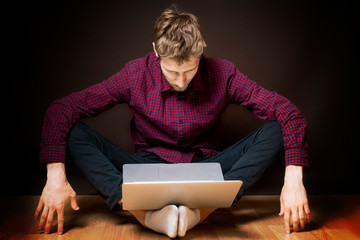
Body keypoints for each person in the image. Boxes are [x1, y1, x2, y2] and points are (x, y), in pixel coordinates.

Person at [35, 6, 311, 238]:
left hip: (208, 169)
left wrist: (293, 180)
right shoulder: (135, 74)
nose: (181, 81)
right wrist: (55, 176)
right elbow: (61, 110)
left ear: (201, 52)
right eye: (172, 71)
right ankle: (142, 212)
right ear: (156, 51)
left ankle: (203, 210)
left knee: (277, 129)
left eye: (189, 70)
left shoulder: (223, 73)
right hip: (145, 168)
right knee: (73, 132)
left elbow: (289, 114)